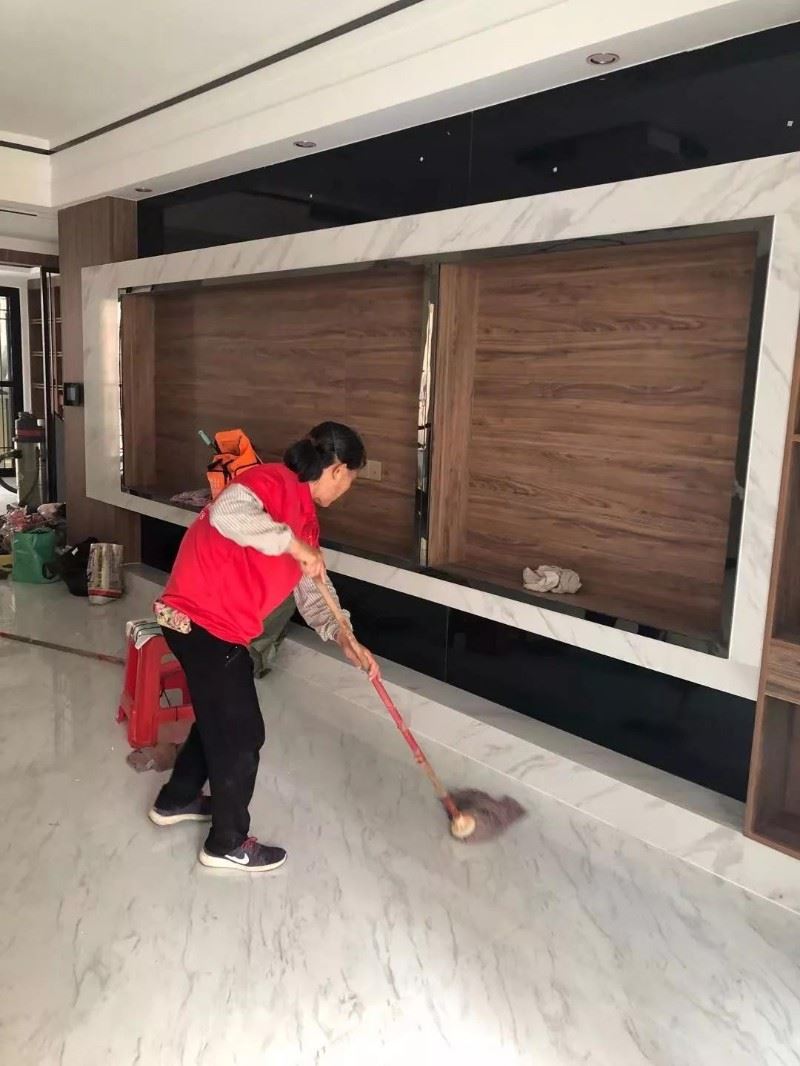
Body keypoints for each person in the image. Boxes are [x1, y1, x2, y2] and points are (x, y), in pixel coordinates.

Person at [148, 422, 379, 873]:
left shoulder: (305, 517)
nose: (347, 489)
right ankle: (227, 843)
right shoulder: (271, 481)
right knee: (242, 732)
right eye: (350, 479)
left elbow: (313, 591)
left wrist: (344, 636)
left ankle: (177, 799)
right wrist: (292, 544)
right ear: (337, 470)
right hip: (201, 620)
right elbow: (228, 513)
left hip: (207, 624)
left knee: (220, 717)